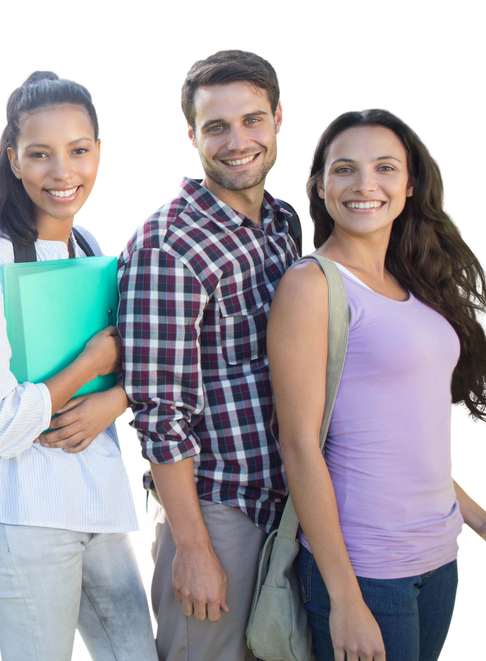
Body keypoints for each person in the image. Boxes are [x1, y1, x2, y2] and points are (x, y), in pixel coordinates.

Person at [0, 67, 156, 661]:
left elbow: (133, 369)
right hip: (25, 518)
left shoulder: (90, 247)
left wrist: (112, 401)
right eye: (40, 154)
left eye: (78, 151)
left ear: (98, 152)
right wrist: (89, 362)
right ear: (13, 159)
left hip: (100, 506)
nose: (63, 172)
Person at [267, 106, 486, 661]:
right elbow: (298, 445)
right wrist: (343, 596)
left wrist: (470, 509)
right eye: (344, 169)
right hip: (366, 567)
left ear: (410, 184)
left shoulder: (413, 283)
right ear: (318, 186)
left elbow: (409, 427)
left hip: (439, 553)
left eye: (385, 167)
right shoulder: (311, 284)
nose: (365, 185)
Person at [118, 46, 298, 661]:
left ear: (277, 119)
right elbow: (159, 412)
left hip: (286, 503)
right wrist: (193, 549)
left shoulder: (283, 222)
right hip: (219, 512)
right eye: (216, 127)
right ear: (192, 134)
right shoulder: (169, 245)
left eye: (251, 120)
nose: (236, 140)